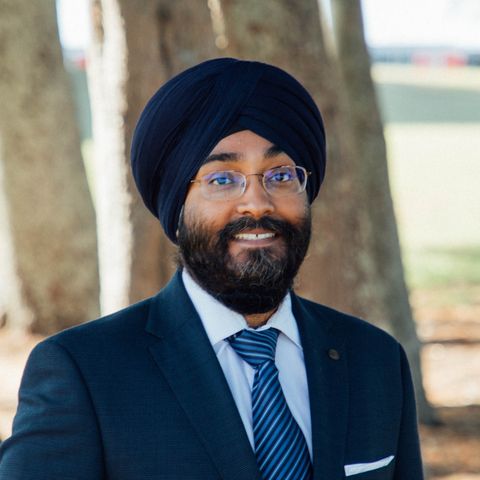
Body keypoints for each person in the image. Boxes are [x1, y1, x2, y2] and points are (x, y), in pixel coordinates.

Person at [0, 58, 423, 479]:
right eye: (222, 179)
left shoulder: (375, 360)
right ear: (176, 207)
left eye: (279, 175)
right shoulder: (85, 372)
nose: (257, 203)